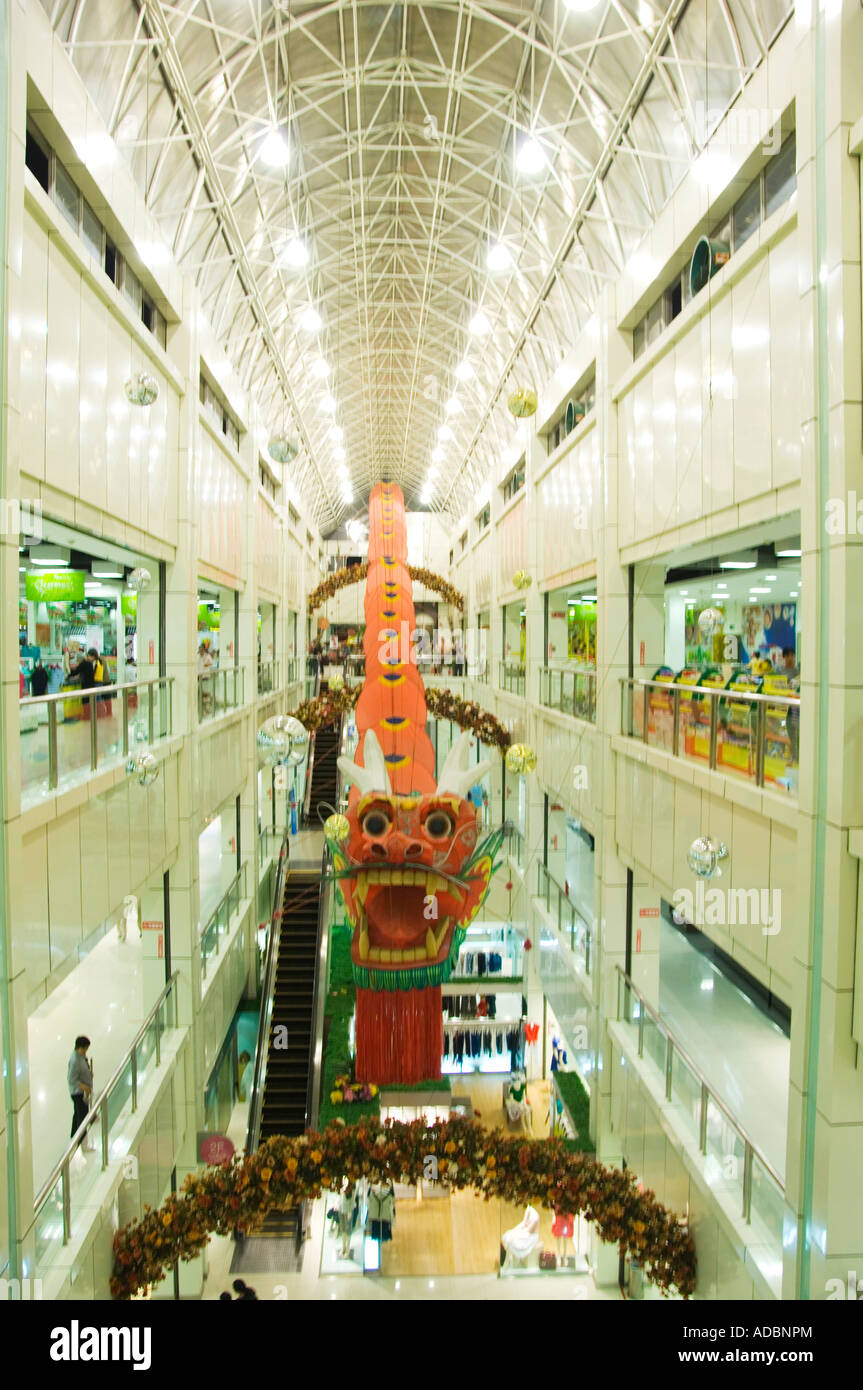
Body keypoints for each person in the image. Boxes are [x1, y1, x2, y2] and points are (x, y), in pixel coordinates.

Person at [68, 1035, 93, 1144]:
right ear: (80, 1048)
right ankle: (81, 1143)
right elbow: (71, 1079)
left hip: (82, 1092)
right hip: (78, 1093)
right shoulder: (75, 1060)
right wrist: (85, 1087)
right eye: (85, 1048)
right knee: (82, 1117)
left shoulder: (80, 1056)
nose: (86, 1051)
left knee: (78, 1115)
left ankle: (74, 1137)